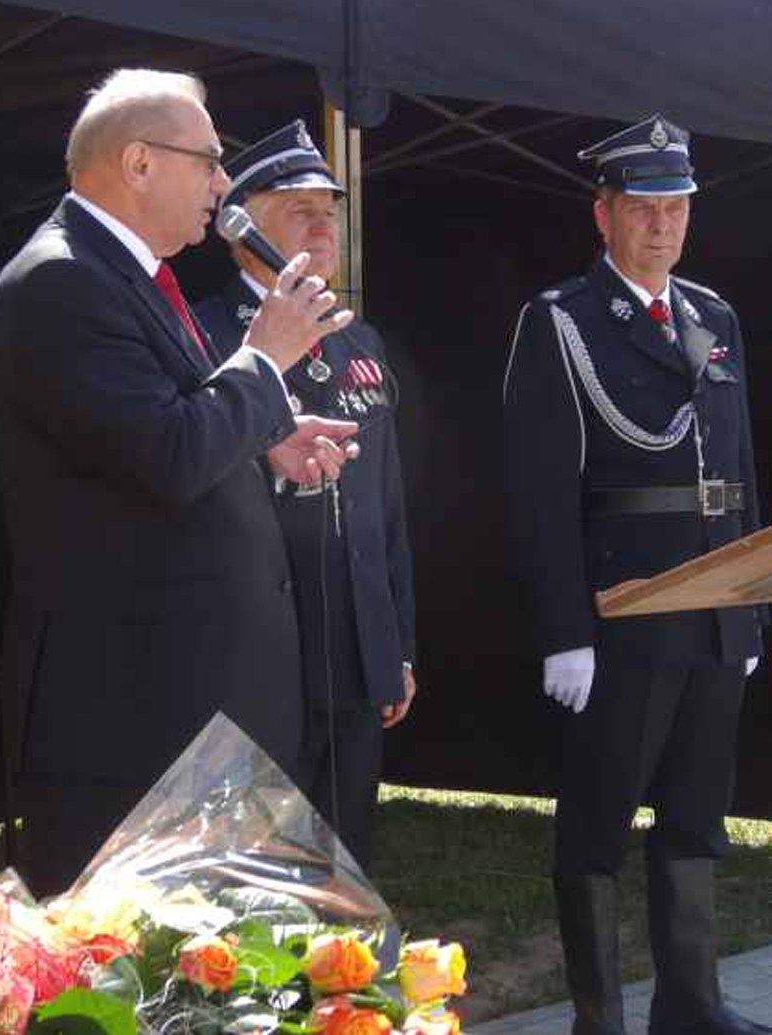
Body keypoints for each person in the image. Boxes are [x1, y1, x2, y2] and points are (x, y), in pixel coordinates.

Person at [0, 69, 360, 898]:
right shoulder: (59, 281)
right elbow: (168, 454)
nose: (223, 185)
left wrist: (267, 443)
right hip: (132, 720)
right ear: (140, 163)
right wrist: (265, 359)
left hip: (200, 709)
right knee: (130, 966)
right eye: (210, 161)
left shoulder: (132, 275)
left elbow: (161, 435)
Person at [502, 114, 769, 1035]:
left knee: (696, 816)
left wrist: (748, 604)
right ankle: (600, 1019)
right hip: (625, 614)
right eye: (644, 207)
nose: (663, 224)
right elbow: (539, 491)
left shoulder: (712, 316)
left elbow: (738, 471)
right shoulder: (563, 320)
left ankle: (691, 1005)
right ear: (604, 213)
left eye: (677, 206)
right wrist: (564, 631)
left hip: (713, 612)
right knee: (598, 825)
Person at [196, 120, 416, 870]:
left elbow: (385, 508)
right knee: (261, 864)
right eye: (299, 210)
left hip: (356, 647)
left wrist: (396, 644)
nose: (324, 227)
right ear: (242, 229)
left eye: (329, 210)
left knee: (347, 861)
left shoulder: (359, 341)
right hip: (264, 648)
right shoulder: (205, 335)